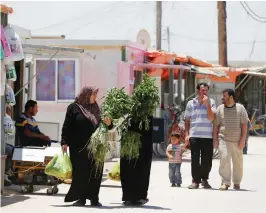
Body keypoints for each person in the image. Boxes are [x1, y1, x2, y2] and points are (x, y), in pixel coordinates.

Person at [60, 86, 113, 207]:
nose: (95, 97)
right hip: (78, 147)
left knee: (96, 172)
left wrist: (109, 124)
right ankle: (81, 198)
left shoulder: (96, 108)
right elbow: (66, 126)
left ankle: (94, 198)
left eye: (95, 95)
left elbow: (107, 125)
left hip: (96, 146)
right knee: (81, 173)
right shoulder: (74, 108)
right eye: (93, 94)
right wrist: (64, 142)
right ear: (86, 95)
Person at [213, 89, 249, 190]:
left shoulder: (240, 108)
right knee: (224, 159)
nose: (222, 98)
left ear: (231, 97)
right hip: (223, 139)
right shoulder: (220, 108)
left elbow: (244, 125)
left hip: (237, 140)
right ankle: (225, 182)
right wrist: (215, 139)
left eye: (224, 96)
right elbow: (216, 125)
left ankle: (237, 182)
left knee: (238, 162)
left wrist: (243, 140)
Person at [184, 83, 216, 189]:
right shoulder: (190, 103)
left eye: (206, 90)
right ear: (198, 91)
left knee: (207, 160)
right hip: (194, 135)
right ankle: (195, 181)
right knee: (195, 159)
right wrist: (187, 135)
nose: (205, 92)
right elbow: (187, 120)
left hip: (208, 136)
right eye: (203, 90)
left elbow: (212, 119)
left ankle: (204, 179)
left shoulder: (211, 102)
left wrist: (207, 105)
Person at [120, 117, 153, 206]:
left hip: (144, 134)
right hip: (128, 134)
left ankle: (141, 196)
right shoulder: (124, 105)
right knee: (127, 165)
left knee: (142, 165)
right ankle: (128, 197)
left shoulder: (146, 106)